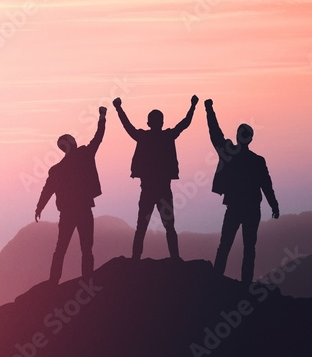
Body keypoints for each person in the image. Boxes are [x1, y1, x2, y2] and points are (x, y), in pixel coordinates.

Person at [112, 95, 198, 260]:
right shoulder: (167, 136)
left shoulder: (143, 137)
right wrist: (193, 106)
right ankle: (174, 259)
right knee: (169, 226)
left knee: (142, 227)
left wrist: (119, 108)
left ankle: (136, 259)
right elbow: (184, 124)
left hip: (148, 190)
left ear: (149, 122)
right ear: (162, 122)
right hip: (164, 190)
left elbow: (127, 126)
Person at [204, 98, 280, 284]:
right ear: (251, 138)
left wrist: (209, 110)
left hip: (235, 207)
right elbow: (266, 185)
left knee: (225, 245)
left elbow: (215, 134)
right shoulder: (258, 161)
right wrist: (274, 205)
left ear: (238, 136)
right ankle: (245, 284)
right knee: (249, 248)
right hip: (253, 208)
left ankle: (216, 280)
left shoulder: (229, 154)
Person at [35, 106, 106, 284]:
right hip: (83, 210)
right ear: (72, 144)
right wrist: (102, 117)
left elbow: (47, 190)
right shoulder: (85, 155)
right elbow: (98, 138)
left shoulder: (57, 169)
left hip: (67, 213)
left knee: (61, 248)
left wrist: (39, 207)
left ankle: (53, 281)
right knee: (86, 248)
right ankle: (87, 279)